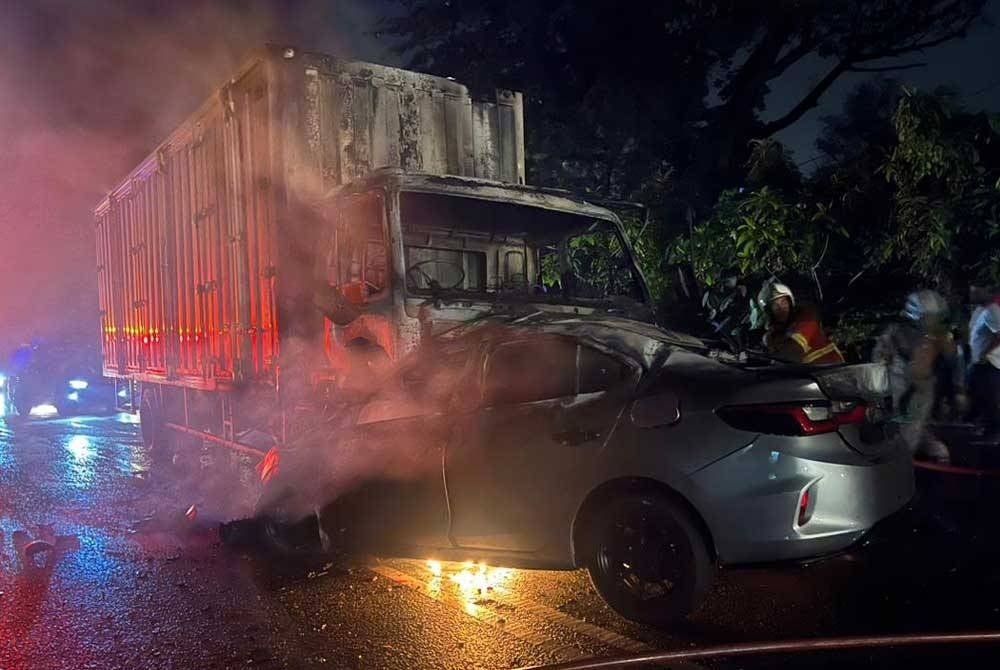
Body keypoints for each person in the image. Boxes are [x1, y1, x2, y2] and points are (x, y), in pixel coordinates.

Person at [872, 290, 954, 463]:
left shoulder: (939, 337)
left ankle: (906, 460)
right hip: (897, 381)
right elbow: (880, 359)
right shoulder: (895, 332)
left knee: (913, 425)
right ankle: (932, 450)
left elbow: (949, 362)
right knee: (898, 421)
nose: (933, 321)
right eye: (929, 317)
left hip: (922, 386)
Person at [754, 280, 844, 364]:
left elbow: (793, 353)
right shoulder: (774, 333)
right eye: (775, 305)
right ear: (769, 311)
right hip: (806, 377)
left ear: (790, 302)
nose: (781, 307)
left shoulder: (807, 317)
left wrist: (767, 356)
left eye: (783, 302)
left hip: (832, 369)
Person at [967, 285, 1000, 440]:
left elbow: (999, 334)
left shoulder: (992, 311)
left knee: (988, 400)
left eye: (976, 291)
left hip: (987, 365)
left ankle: (992, 434)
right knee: (977, 398)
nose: (972, 294)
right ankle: (981, 430)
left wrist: (985, 353)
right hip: (977, 363)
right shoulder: (980, 310)